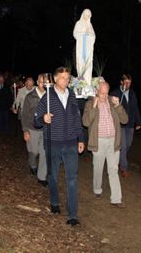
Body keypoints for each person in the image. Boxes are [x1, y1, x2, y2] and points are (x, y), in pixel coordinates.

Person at [34, 67, 85, 226]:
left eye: (67, 78)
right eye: (62, 78)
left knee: (72, 179)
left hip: (70, 143)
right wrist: (43, 118)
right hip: (53, 143)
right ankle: (55, 201)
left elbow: (77, 119)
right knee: (53, 176)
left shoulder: (72, 96)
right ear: (55, 79)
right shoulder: (47, 97)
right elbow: (35, 121)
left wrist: (81, 138)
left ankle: (72, 215)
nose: (66, 80)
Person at [82, 81, 128, 208]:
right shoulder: (90, 103)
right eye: (102, 93)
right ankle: (97, 189)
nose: (104, 96)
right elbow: (85, 122)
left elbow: (125, 120)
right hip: (99, 141)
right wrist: (94, 107)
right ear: (96, 91)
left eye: (106, 93)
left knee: (113, 169)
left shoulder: (113, 102)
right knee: (98, 167)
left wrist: (119, 106)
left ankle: (116, 198)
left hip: (113, 141)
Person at [110, 74, 141, 177]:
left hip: (130, 124)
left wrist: (138, 122)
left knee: (128, 144)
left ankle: (119, 158)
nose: (128, 84)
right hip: (120, 124)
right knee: (123, 146)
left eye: (129, 82)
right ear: (121, 82)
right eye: (126, 82)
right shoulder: (115, 93)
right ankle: (124, 168)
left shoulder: (132, 93)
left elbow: (135, 108)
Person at [21, 74, 47, 186]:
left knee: (44, 153)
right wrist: (25, 130)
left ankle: (42, 177)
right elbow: (24, 114)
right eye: (41, 82)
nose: (43, 84)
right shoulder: (30, 96)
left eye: (45, 82)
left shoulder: (50, 96)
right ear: (37, 82)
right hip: (32, 128)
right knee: (34, 152)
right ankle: (32, 164)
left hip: (45, 129)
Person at [73, 8, 95, 86]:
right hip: (81, 49)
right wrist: (83, 34)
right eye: (86, 14)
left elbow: (93, 37)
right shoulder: (78, 23)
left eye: (88, 15)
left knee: (88, 67)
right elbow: (75, 34)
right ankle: (81, 84)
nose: (87, 16)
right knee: (80, 65)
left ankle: (88, 85)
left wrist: (88, 35)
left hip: (88, 51)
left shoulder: (90, 25)